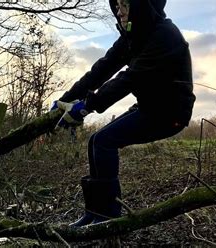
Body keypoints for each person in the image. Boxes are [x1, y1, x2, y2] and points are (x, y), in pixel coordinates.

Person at [52, 0, 196, 227]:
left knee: (103, 141)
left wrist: (87, 106)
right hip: (150, 107)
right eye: (117, 5)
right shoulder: (132, 37)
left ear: (142, 6)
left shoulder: (165, 35)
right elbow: (101, 69)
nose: (118, 12)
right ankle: (94, 214)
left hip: (170, 113)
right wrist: (67, 98)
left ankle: (108, 217)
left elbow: (130, 78)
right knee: (95, 143)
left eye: (125, 5)